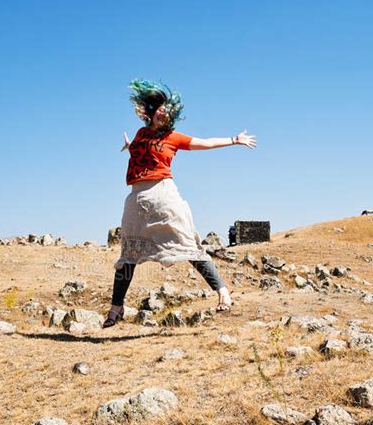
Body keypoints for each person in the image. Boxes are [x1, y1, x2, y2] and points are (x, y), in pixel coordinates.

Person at [103, 78, 257, 328]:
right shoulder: (141, 134)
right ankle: (115, 309)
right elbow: (142, 151)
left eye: (167, 112)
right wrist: (130, 145)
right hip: (135, 200)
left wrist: (234, 139)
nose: (163, 114)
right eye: (159, 110)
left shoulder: (174, 137)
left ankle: (223, 292)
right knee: (128, 254)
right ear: (151, 112)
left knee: (187, 245)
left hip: (164, 196)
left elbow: (205, 143)